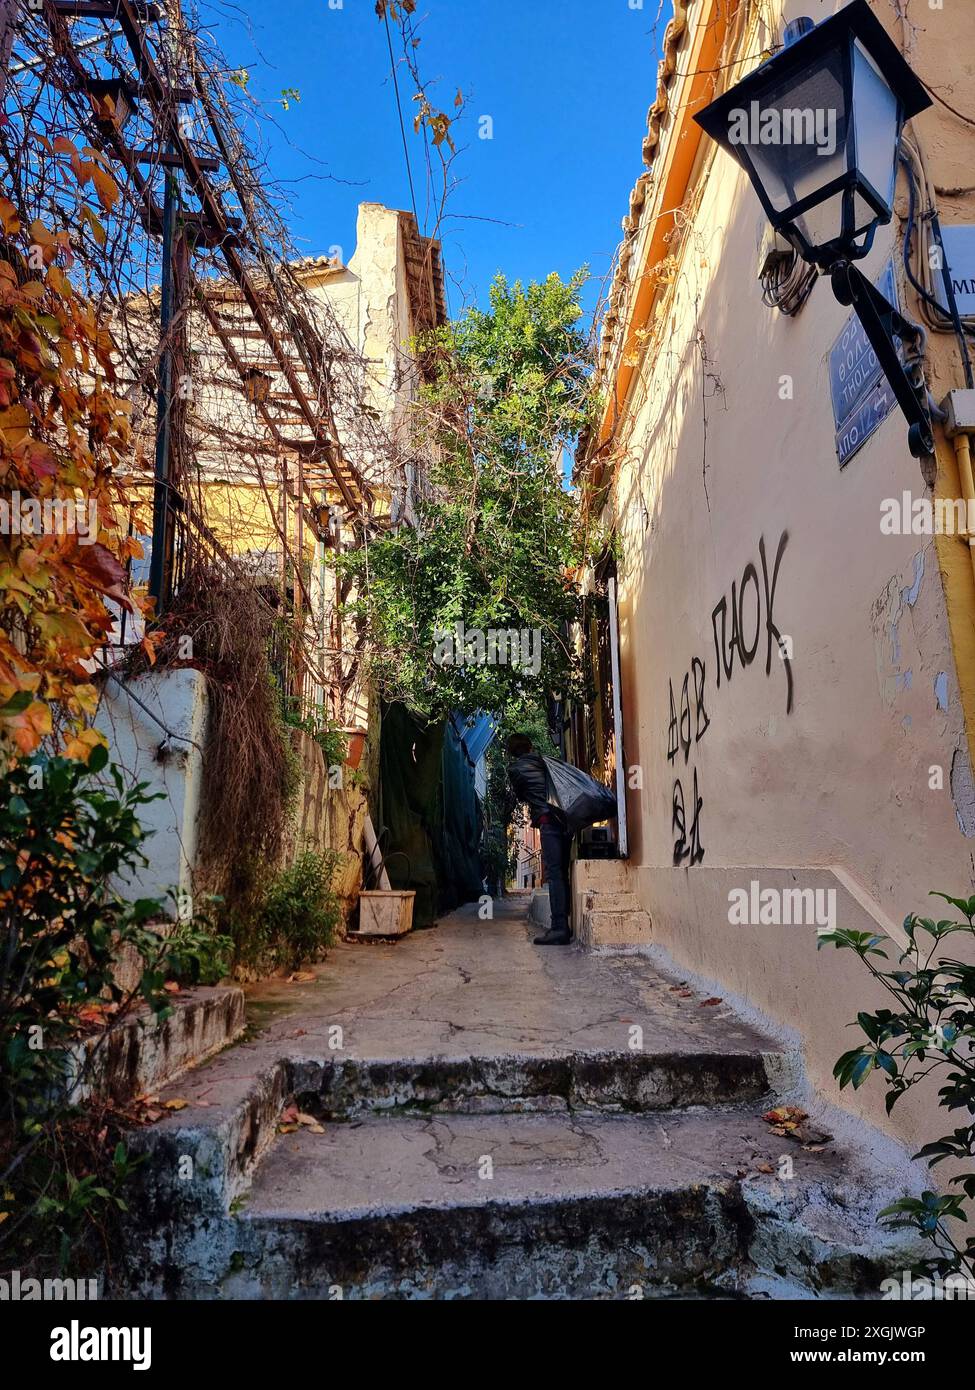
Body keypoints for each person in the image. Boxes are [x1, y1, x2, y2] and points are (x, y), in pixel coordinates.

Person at [506, 733, 572, 946]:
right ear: (531, 746)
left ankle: (559, 928)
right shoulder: (545, 761)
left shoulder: (515, 770)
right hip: (565, 818)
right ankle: (564, 925)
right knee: (563, 871)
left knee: (554, 873)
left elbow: (522, 796)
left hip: (547, 821)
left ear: (512, 753)